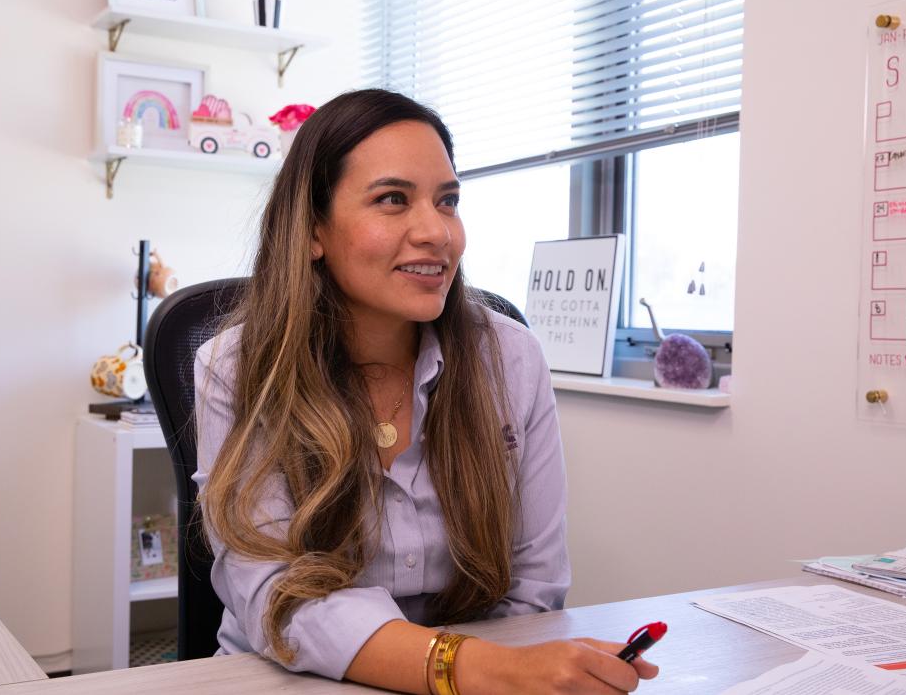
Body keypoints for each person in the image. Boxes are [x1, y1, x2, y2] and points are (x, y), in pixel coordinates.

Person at [193, 89, 658, 695]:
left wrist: (505, 673)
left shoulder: (510, 356)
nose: (437, 232)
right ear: (313, 230)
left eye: (448, 201)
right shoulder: (237, 366)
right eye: (392, 199)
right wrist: (475, 668)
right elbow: (278, 597)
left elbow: (534, 588)